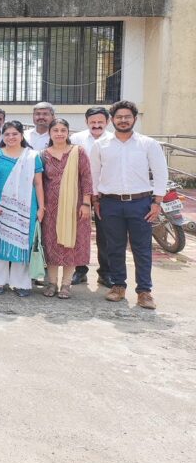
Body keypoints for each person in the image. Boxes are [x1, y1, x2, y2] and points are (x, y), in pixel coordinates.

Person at [90, 100, 168, 309]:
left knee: (142, 248)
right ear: (112, 120)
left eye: (127, 117)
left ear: (134, 118)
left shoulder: (148, 144)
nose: (123, 120)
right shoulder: (101, 145)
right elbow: (94, 174)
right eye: (119, 117)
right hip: (110, 203)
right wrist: (95, 200)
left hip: (141, 203)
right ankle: (117, 286)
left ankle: (144, 291)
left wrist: (157, 202)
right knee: (113, 247)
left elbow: (160, 172)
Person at [0, 121, 45, 296]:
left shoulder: (32, 156)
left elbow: (39, 183)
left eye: (14, 134)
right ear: (3, 136)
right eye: (7, 134)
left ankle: (21, 284)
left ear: (21, 135)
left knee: (22, 241)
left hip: (26, 206)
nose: (11, 137)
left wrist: (41, 207)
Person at [40, 118, 93, 299]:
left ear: (68, 133)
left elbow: (86, 179)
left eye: (63, 130)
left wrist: (86, 203)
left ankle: (66, 285)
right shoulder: (43, 155)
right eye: (55, 130)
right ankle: (52, 283)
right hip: (50, 208)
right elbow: (39, 182)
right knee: (51, 245)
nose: (59, 133)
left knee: (70, 245)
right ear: (50, 133)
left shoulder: (78, 152)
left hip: (74, 207)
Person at [69, 106, 112, 286]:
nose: (96, 125)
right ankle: (80, 270)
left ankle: (105, 272)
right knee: (80, 233)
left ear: (107, 122)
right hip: (80, 193)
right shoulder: (76, 139)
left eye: (100, 122)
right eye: (92, 122)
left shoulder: (114, 139)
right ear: (86, 122)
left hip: (106, 194)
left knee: (107, 234)